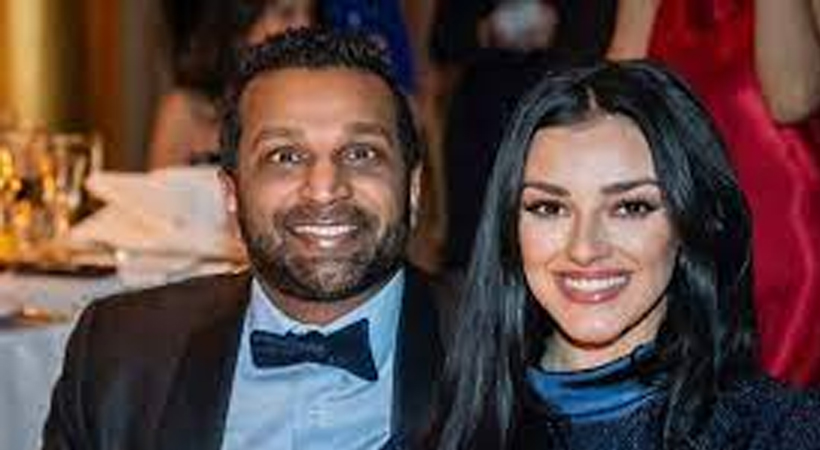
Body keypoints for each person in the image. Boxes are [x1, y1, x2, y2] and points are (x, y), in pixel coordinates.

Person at [42, 29, 449, 450]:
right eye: (285, 156)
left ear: (413, 188)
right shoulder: (120, 352)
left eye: (361, 153)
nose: (325, 189)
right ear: (231, 195)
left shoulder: (488, 346)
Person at [423, 61, 820, 450]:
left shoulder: (783, 431)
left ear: (693, 221)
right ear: (510, 228)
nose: (584, 249)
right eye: (549, 208)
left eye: (630, 207)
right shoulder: (448, 422)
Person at [607, 0, 820, 386]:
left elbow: (792, 97)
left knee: (779, 399)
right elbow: (618, 113)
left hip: (786, 240)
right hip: (686, 238)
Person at [429, 0, 617, 270]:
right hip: (484, 121)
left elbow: (605, 38)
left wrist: (558, 29)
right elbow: (444, 39)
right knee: (477, 247)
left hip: (564, 116)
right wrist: (487, 31)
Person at [148, 0, 316, 168]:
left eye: (310, 13)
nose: (305, 25)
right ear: (241, 23)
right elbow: (161, 183)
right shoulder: (186, 109)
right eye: (286, 13)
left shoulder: (312, 101)